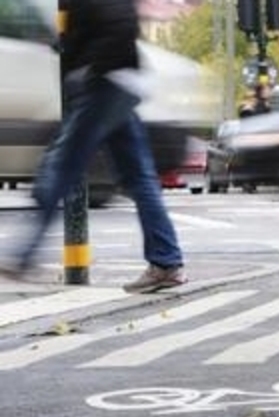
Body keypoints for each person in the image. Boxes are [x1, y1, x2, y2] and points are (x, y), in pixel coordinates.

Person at [0, 0, 187, 294]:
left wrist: (86, 70)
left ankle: (22, 254)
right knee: (138, 178)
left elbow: (116, 24)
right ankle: (166, 262)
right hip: (118, 81)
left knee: (61, 167)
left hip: (105, 84)